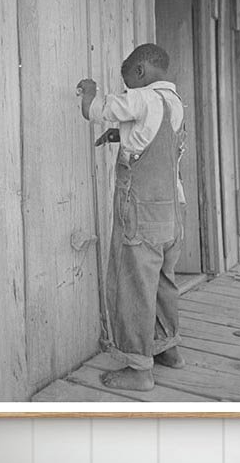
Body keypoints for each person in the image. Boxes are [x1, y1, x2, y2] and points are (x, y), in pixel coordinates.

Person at [77, 43, 187, 392]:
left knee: (134, 286)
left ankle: (140, 369)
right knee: (164, 282)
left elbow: (95, 110)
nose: (126, 89)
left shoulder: (141, 98)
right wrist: (119, 135)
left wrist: (89, 90)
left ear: (139, 72)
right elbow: (154, 139)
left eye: (127, 81)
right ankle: (168, 348)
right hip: (172, 214)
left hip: (141, 213)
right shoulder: (174, 104)